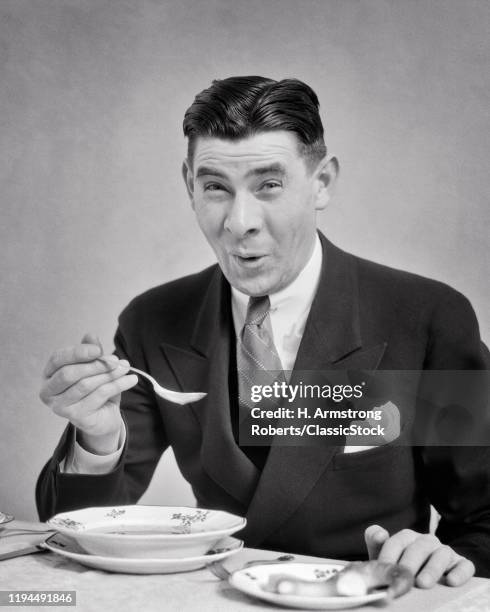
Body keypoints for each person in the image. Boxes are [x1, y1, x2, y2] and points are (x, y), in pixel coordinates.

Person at [37, 76, 490, 586]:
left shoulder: (427, 316)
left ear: (322, 183)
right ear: (189, 185)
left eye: (269, 186)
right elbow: (77, 530)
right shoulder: (151, 320)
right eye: (215, 188)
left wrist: (442, 558)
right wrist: (97, 439)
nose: (238, 222)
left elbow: (483, 523)